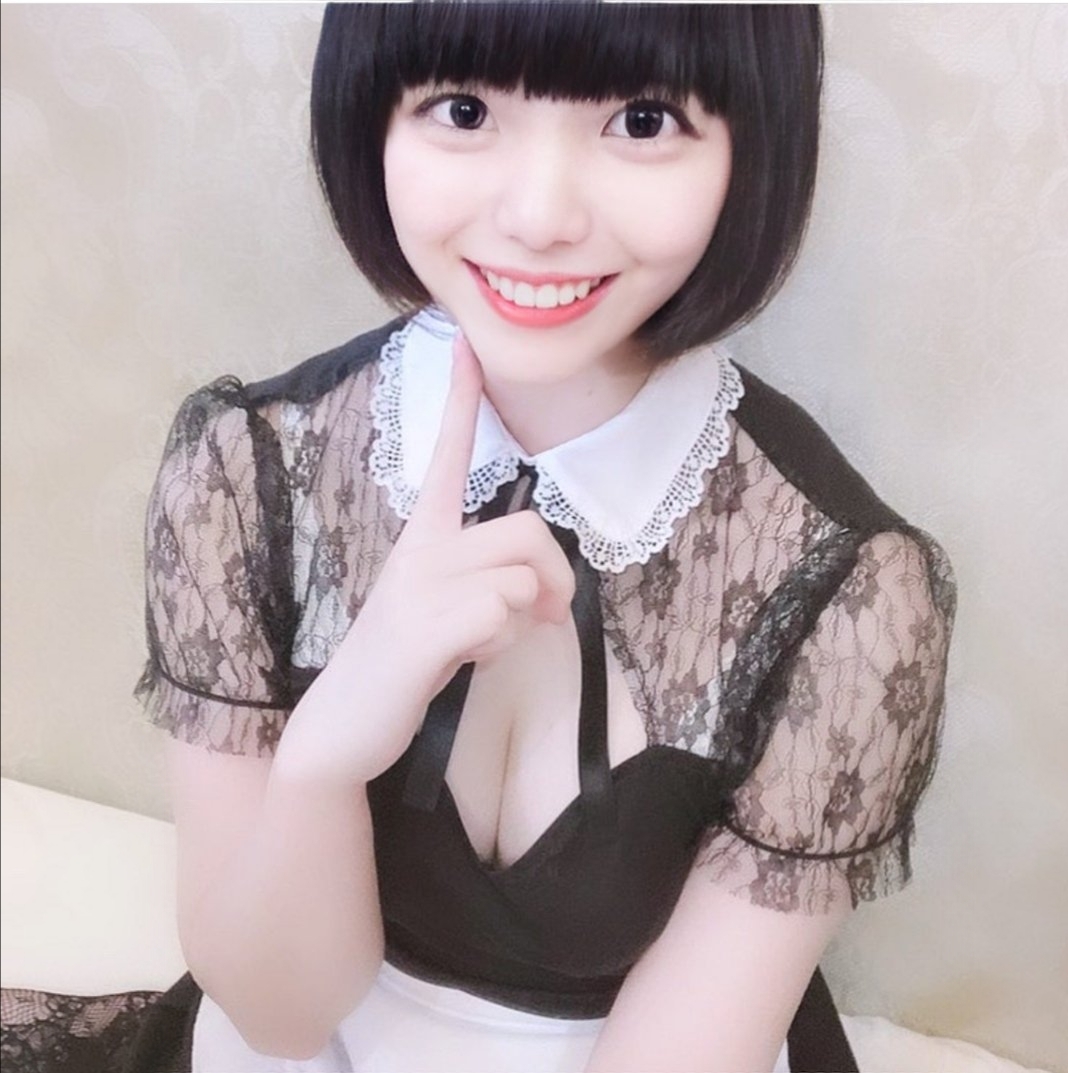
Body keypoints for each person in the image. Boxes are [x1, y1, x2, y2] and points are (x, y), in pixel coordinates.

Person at [0, 4, 956, 1072]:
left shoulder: (851, 593)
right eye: (462, 109)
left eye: (642, 121)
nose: (539, 216)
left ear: (751, 146)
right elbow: (277, 1016)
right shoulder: (243, 470)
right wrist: (324, 755)